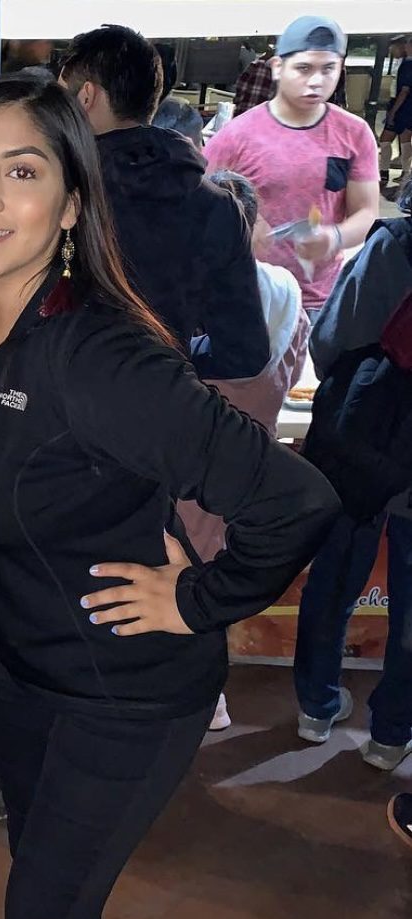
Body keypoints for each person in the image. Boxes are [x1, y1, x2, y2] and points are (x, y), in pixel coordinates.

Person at [0, 73, 339, 919]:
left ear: (72, 204)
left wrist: (198, 599)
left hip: (127, 689)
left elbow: (297, 502)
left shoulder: (98, 356)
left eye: (21, 172)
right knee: (39, 874)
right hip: (27, 668)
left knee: (47, 916)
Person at [178, 169, 312, 732]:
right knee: (214, 580)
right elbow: (295, 368)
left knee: (174, 576)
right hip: (250, 464)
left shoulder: (185, 293)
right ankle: (210, 697)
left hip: (186, 470)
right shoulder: (285, 291)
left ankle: (183, 696)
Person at [60, 24, 270, 379]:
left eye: (60, 97)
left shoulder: (56, 192)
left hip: (51, 399)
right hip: (159, 400)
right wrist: (168, 360)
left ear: (86, 96)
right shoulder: (217, 207)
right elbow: (245, 352)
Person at [292, 194, 412, 771]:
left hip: (364, 442)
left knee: (336, 575)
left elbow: (330, 338)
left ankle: (316, 708)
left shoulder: (396, 245)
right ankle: (391, 733)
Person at [204, 16, 381, 315]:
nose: (316, 81)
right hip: (250, 298)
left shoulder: (355, 133)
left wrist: (334, 237)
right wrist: (241, 228)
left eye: (328, 69)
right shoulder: (236, 135)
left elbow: (366, 212)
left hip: (320, 301)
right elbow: (194, 204)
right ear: (277, 67)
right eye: (304, 68)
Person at [379, 37, 412, 197]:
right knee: (404, 140)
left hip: (403, 107)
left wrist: (393, 111)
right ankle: (404, 173)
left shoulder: (408, 66)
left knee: (388, 140)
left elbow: (404, 90)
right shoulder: (404, 63)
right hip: (405, 107)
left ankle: (387, 172)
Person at [234, 46, 275, 115]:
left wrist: (238, 103)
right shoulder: (285, 74)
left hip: (244, 112)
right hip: (264, 116)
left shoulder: (256, 65)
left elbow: (240, 86)